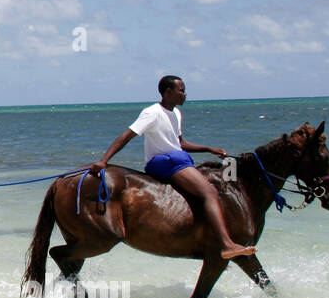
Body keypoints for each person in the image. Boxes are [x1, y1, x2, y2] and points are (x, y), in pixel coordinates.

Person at [88, 75, 255, 259]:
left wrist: (208, 148)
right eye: (181, 90)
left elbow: (179, 143)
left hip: (178, 159)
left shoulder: (176, 113)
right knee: (209, 192)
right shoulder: (152, 112)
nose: (185, 94)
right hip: (162, 162)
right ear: (168, 92)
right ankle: (226, 245)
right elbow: (127, 136)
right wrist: (104, 160)